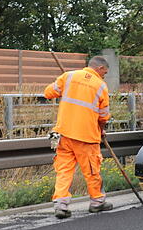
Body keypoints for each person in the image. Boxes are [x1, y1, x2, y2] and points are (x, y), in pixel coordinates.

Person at [43, 56, 113, 219]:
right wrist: (101, 130)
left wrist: (64, 89)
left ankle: (61, 205)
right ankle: (97, 202)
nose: (105, 76)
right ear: (100, 69)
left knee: (64, 170)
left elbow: (48, 93)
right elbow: (103, 116)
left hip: (64, 134)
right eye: (105, 72)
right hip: (86, 137)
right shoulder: (100, 85)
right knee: (91, 170)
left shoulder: (69, 76)